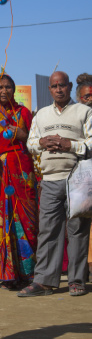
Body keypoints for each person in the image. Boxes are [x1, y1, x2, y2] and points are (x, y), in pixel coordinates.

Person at [19, 71, 92, 297]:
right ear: (49, 89)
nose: (58, 89)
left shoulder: (84, 111)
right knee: (48, 231)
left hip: (78, 179)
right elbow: (31, 143)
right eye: (54, 86)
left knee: (78, 231)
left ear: (70, 87)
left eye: (62, 85)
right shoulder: (41, 115)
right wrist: (42, 141)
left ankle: (76, 281)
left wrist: (69, 144)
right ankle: (44, 282)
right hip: (50, 180)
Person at [0, 74, 39, 289]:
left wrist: (23, 134)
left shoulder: (24, 113)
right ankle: (7, 274)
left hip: (21, 174)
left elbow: (35, 142)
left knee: (27, 222)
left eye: (9, 87)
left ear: (14, 90)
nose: (4, 91)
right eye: (0, 87)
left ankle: (28, 274)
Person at [76, 74, 92, 274]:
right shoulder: (76, 116)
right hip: (82, 176)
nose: (90, 100)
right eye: (86, 97)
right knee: (81, 223)